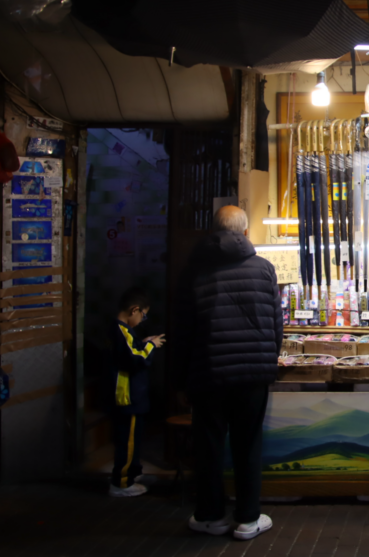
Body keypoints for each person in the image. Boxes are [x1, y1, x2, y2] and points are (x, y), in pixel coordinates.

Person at [175, 205, 283, 541]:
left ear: (213, 231)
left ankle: (210, 516)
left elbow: (182, 331)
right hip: (253, 374)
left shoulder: (193, 271)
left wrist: (180, 380)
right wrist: (268, 359)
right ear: (246, 232)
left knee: (209, 445)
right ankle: (248, 519)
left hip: (208, 372)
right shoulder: (264, 269)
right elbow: (276, 325)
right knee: (247, 443)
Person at [108, 286, 165, 497]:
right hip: (127, 396)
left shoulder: (122, 331)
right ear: (134, 310)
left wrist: (143, 343)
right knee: (127, 441)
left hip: (132, 395)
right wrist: (151, 346)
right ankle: (121, 483)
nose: (142, 320)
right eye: (143, 315)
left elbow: (130, 350)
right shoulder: (120, 330)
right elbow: (135, 358)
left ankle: (132, 474)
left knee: (133, 438)